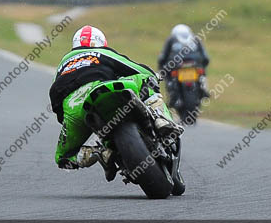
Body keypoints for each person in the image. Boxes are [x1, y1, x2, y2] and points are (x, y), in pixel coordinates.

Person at [49, 25, 182, 173]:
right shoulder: (101, 52)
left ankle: (98, 153)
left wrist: (67, 120)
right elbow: (134, 68)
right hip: (102, 89)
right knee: (144, 78)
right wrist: (153, 76)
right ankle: (161, 119)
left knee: (63, 158)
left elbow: (55, 95)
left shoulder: (63, 62)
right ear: (102, 42)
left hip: (73, 107)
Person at [157, 24, 210, 107]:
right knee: (202, 73)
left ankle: (172, 94)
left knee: (167, 76)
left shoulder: (171, 39)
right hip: (195, 65)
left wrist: (161, 67)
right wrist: (203, 64)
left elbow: (163, 57)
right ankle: (203, 88)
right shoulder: (195, 39)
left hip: (176, 66)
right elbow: (205, 57)